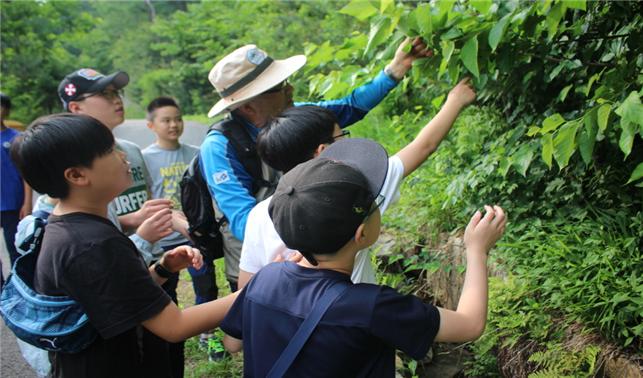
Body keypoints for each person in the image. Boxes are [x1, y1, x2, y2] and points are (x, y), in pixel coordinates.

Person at [220, 138, 507, 376]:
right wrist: (476, 250)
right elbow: (469, 324)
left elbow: (235, 339)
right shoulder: (371, 306)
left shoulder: (266, 278)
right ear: (362, 234)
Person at [10, 113, 238, 378]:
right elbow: (175, 326)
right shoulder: (92, 244)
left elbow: (112, 298)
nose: (123, 155)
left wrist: (162, 270)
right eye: (109, 150)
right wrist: (257, 288)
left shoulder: (70, 228)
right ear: (76, 175)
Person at [201, 37, 432, 296]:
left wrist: (394, 70)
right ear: (248, 107)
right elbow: (242, 220)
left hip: (322, 252)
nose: (290, 90)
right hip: (265, 264)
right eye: (278, 86)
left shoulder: (297, 115)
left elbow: (350, 107)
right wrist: (309, 251)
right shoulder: (220, 147)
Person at [238, 78, 476, 287]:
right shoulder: (355, 191)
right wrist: (455, 100)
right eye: (342, 136)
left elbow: (245, 291)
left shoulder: (259, 215)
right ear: (323, 151)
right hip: (354, 323)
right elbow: (423, 146)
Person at [58, 68, 175, 238]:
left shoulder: (131, 150)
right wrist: (131, 220)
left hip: (151, 254)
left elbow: (147, 200)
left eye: (116, 93)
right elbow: (64, 224)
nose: (117, 100)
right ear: (76, 107)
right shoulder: (70, 161)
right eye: (105, 94)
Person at [142, 96, 201, 373]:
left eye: (177, 119)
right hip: (162, 240)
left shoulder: (195, 152)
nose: (174, 125)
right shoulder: (144, 158)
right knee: (167, 293)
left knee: (205, 287)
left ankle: (207, 335)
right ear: (151, 125)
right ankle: (170, 337)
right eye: (166, 120)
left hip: (194, 235)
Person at [1, 93, 32, 278]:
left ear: (6, 110)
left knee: (16, 249)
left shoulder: (15, 138)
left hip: (12, 202)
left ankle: (18, 287)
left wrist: (27, 203)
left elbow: (25, 173)